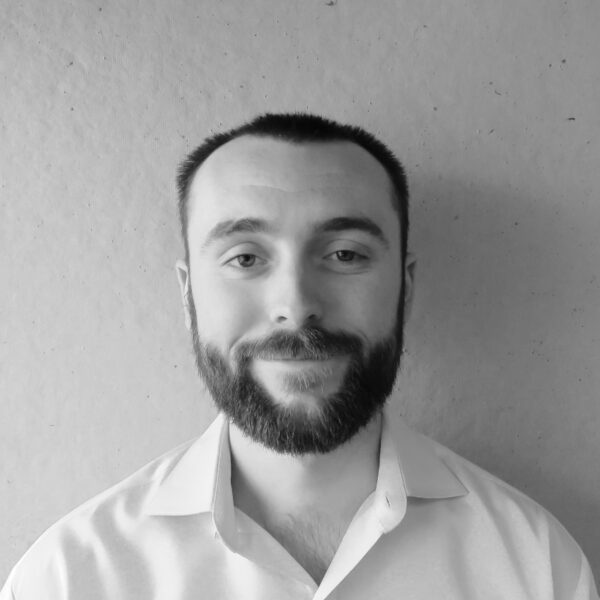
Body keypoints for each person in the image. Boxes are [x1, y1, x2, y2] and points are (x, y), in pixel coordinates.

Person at [1, 113, 597, 599]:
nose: (297, 305)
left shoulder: (537, 567)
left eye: (345, 255)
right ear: (187, 295)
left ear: (405, 287)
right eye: (245, 257)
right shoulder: (68, 578)